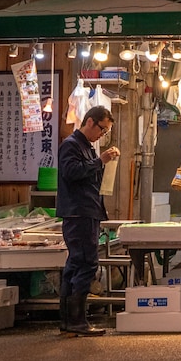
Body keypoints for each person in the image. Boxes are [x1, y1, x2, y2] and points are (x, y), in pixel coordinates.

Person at [57, 105, 120, 337]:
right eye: (102, 129)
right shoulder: (71, 145)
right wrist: (100, 160)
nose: (102, 135)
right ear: (90, 122)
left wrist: (105, 161)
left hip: (88, 211)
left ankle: (69, 322)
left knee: (75, 265)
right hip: (79, 213)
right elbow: (71, 172)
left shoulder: (88, 147)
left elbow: (90, 176)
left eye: (106, 132)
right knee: (86, 264)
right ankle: (76, 322)